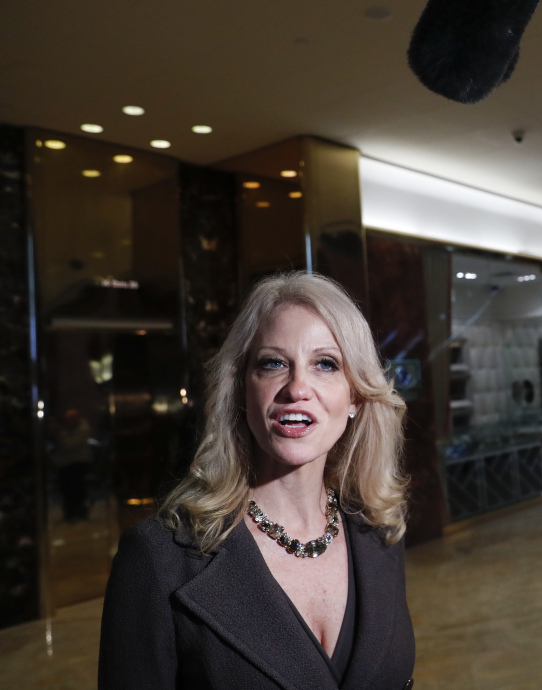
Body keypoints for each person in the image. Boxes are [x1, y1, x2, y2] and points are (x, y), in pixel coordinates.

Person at [98, 272, 415, 689]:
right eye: (273, 363)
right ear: (242, 392)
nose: (297, 387)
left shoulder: (379, 533)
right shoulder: (159, 559)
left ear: (355, 396)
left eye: (325, 364)